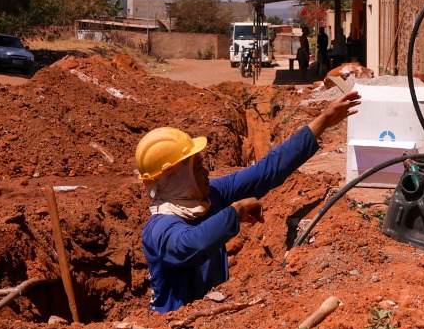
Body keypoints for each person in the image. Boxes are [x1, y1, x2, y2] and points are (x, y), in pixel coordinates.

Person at [137, 90, 361, 312]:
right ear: (178, 179)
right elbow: (192, 244)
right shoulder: (159, 229)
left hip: (213, 316)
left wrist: (323, 121)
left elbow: (267, 171)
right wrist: (234, 212)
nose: (206, 172)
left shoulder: (209, 195)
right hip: (175, 327)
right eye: (197, 168)